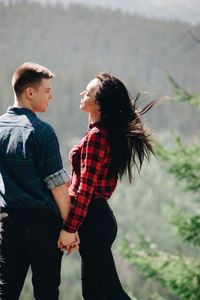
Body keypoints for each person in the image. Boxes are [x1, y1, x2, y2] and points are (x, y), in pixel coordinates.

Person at [58, 72, 159, 299]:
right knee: (92, 294)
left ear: (99, 103)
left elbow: (85, 189)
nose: (82, 93)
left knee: (111, 292)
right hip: (95, 220)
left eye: (89, 91)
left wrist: (69, 228)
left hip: (93, 221)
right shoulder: (100, 133)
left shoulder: (96, 136)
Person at [0, 62, 78, 300]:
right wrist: (70, 227)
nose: (51, 96)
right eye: (47, 91)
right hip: (43, 227)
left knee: (5, 292)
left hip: (8, 224)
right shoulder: (42, 131)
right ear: (29, 92)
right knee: (46, 293)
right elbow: (57, 186)